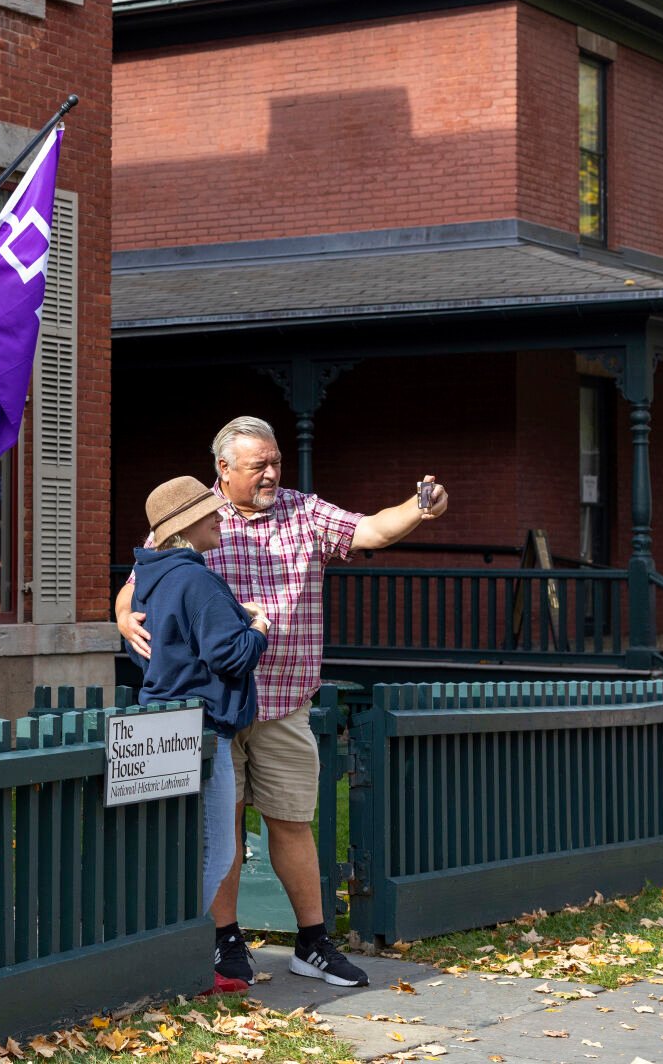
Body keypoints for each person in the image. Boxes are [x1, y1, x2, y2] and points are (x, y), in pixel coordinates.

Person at [114, 416, 449, 988]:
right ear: (224, 468)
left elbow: (369, 531)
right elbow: (149, 574)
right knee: (224, 825)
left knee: (291, 823)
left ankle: (313, 944)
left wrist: (417, 509)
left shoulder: (304, 512)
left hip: (282, 699)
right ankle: (225, 944)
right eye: (257, 465)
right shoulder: (194, 515)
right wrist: (123, 612)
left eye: (274, 462)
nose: (271, 473)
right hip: (213, 709)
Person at [130, 475, 270, 995]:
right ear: (185, 527)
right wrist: (258, 627)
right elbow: (229, 655)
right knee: (216, 850)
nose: (219, 518)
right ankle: (186, 959)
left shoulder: (150, 577)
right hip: (202, 731)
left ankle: (164, 953)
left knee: (170, 848)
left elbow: (143, 648)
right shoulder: (196, 580)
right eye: (210, 513)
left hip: (157, 724)